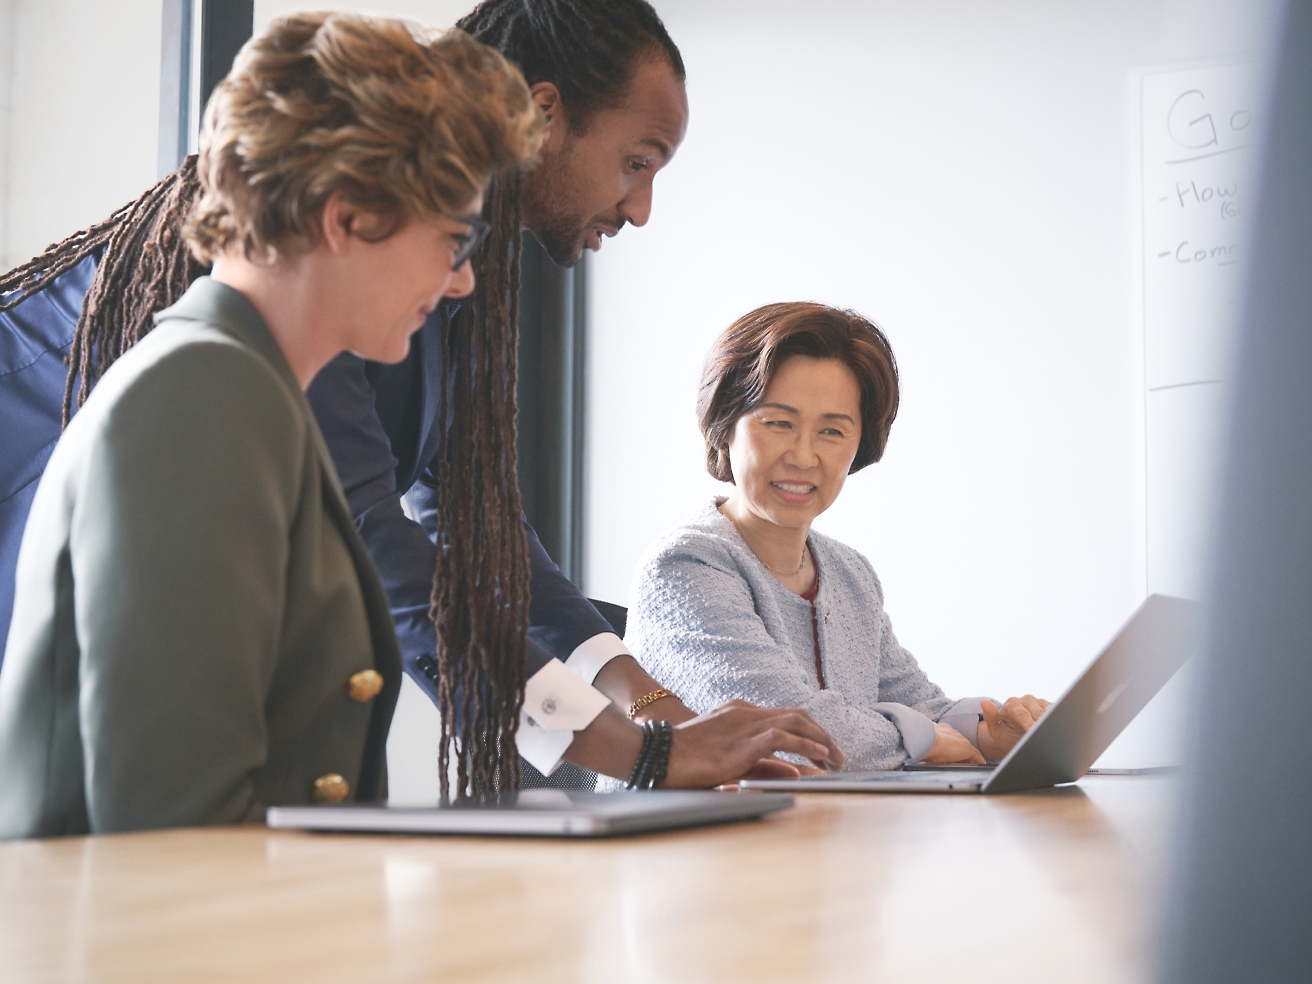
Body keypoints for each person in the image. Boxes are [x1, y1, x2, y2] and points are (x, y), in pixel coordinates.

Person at [0, 0, 844, 795]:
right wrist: (646, 750)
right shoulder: (237, 355)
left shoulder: (403, 294)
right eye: (635, 162)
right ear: (345, 219)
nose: (466, 275)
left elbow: (476, 531)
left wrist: (646, 704)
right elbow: (380, 552)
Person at [0, 12, 542, 836]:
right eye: (455, 238)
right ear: (348, 214)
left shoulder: (242, 391)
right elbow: (174, 835)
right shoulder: (199, 404)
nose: (462, 281)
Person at [625, 302, 1051, 770]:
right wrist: (923, 738)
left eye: (832, 431)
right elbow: (786, 732)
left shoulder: (849, 573)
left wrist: (993, 732)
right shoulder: (685, 564)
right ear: (726, 426)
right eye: (779, 423)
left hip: (816, 831)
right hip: (695, 838)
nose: (804, 457)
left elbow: (917, 705)